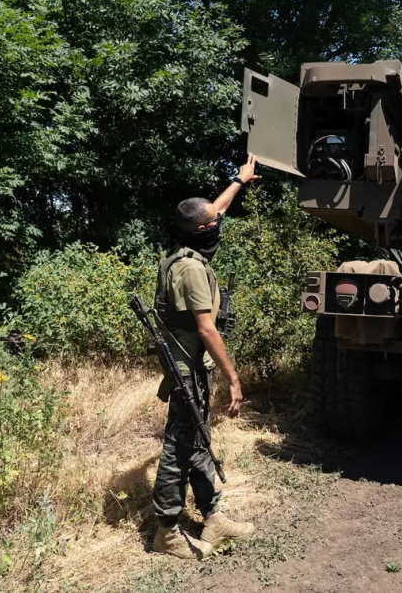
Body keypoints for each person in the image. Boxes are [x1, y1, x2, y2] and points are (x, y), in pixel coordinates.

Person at [152, 154, 261, 560]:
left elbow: (215, 210)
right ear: (201, 230)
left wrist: (239, 179)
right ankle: (165, 531)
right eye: (213, 224)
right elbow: (206, 328)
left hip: (191, 365)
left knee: (198, 437)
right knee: (180, 445)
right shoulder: (191, 270)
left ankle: (212, 515)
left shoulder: (187, 250)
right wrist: (234, 377)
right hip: (188, 367)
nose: (219, 225)